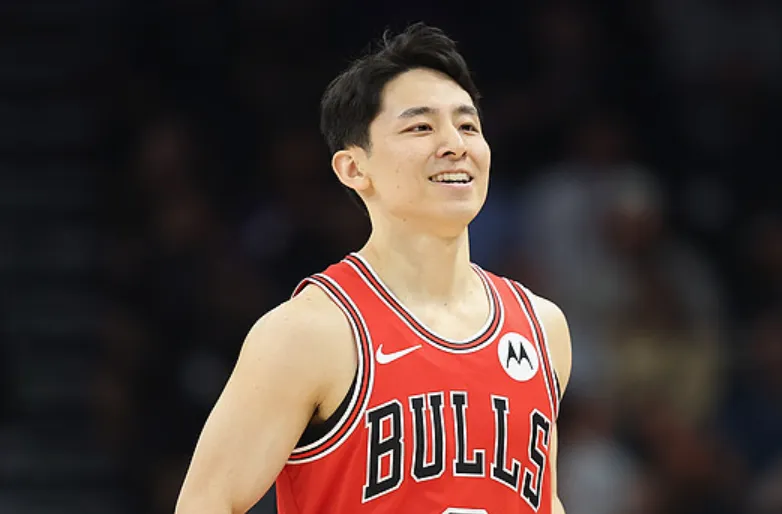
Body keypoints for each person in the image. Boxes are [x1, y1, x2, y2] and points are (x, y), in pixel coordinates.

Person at [175, 22, 572, 514]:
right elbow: (206, 502)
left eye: (468, 126)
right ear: (354, 168)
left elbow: (543, 500)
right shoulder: (310, 332)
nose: (455, 144)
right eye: (421, 127)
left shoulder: (542, 328)